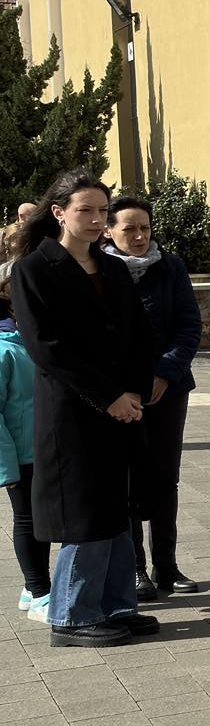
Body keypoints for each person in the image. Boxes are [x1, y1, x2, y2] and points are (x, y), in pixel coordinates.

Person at [12, 172, 157, 648]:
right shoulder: (34, 270)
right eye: (86, 211)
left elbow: (138, 334)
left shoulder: (112, 268)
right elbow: (48, 349)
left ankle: (115, 605)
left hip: (122, 408)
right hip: (73, 412)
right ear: (59, 213)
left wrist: (134, 392)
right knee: (85, 513)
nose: (97, 221)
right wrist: (109, 396)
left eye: (102, 212)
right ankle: (71, 616)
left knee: (117, 507)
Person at [104, 194, 203, 599]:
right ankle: (135, 571)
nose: (139, 236)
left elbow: (189, 325)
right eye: (129, 229)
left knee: (165, 479)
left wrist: (165, 373)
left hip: (168, 391)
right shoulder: (99, 270)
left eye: (144, 227)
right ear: (110, 231)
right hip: (117, 395)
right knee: (126, 482)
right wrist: (122, 385)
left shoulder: (171, 266)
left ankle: (167, 567)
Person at [0, 266, 50, 622]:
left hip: (49, 447)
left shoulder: (42, 341)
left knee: (43, 521)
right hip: (22, 454)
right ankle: (38, 591)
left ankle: (33, 584)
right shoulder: (5, 350)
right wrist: (7, 468)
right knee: (28, 520)